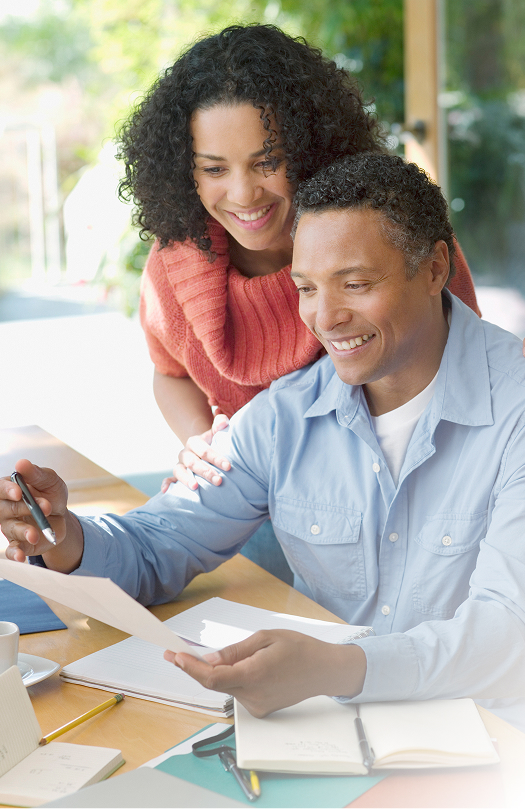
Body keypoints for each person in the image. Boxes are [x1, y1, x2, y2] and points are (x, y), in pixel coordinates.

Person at [2, 154, 522, 728]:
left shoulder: (516, 410)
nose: (326, 317)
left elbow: (508, 633)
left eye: (355, 284)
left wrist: (339, 668)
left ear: (434, 269)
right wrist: (63, 533)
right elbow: (158, 544)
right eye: (306, 288)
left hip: (489, 743)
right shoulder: (287, 413)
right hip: (322, 733)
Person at [117, 23, 480, 582]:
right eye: (214, 169)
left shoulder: (386, 234)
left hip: (395, 504)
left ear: (312, 148)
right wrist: (202, 444)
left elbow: (465, 376)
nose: (243, 195)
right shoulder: (175, 264)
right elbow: (169, 374)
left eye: (267, 162)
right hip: (243, 502)